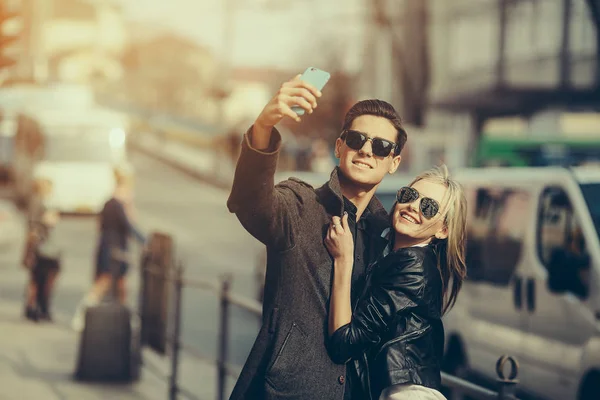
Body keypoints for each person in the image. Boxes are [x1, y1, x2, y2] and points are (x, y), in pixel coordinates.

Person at [226, 73, 407, 400]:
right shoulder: (300, 205)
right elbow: (251, 203)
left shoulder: (387, 236)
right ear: (340, 146)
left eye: (380, 146)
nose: (366, 151)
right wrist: (264, 125)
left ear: (394, 162)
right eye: (356, 140)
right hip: (288, 392)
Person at [324, 165, 468, 400]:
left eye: (428, 207)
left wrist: (343, 259)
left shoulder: (412, 267)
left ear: (443, 230)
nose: (412, 206)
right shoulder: (398, 258)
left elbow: (345, 343)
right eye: (409, 195)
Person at [71, 166, 145, 331]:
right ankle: (82, 315)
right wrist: (145, 242)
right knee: (103, 283)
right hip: (113, 249)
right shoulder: (115, 204)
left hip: (115, 247)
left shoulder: (112, 203)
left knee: (121, 285)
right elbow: (129, 226)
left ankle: (127, 320)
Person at [22, 177, 61, 322]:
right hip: (41, 248)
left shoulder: (42, 202)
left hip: (45, 247)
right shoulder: (38, 203)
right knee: (38, 279)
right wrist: (30, 251)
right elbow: (34, 227)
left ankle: (36, 307)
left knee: (38, 279)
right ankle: (35, 307)